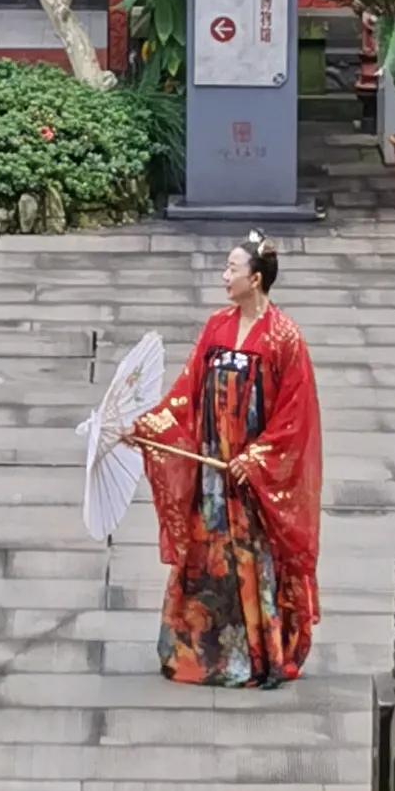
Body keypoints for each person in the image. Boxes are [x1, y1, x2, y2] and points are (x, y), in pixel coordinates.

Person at [129, 234, 323, 687]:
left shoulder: (284, 339)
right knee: (206, 556)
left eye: (232, 269)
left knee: (251, 560)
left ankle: (256, 657)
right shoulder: (216, 327)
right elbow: (186, 391)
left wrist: (255, 459)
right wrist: (147, 428)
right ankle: (199, 654)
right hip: (212, 471)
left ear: (255, 279)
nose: (224, 276)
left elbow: (296, 417)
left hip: (250, 478)